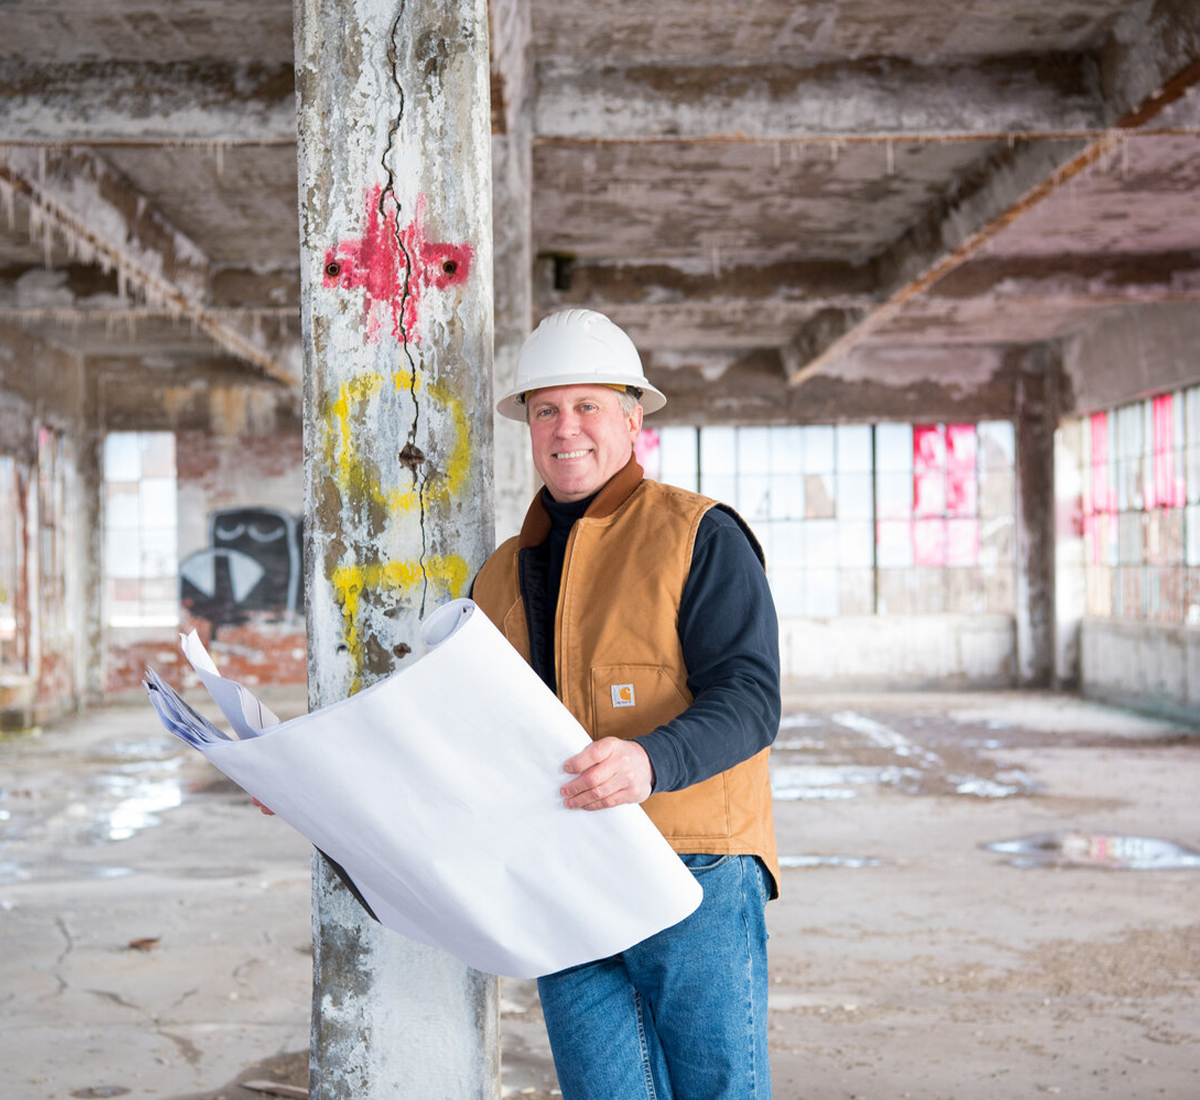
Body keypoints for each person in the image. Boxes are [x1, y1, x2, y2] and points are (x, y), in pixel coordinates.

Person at [472, 308, 781, 1100]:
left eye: (587, 406)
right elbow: (457, 722)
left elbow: (750, 697)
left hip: (693, 867)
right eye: (545, 409)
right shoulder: (500, 575)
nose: (564, 428)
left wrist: (651, 759)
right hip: (563, 871)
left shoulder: (698, 535)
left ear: (632, 419)